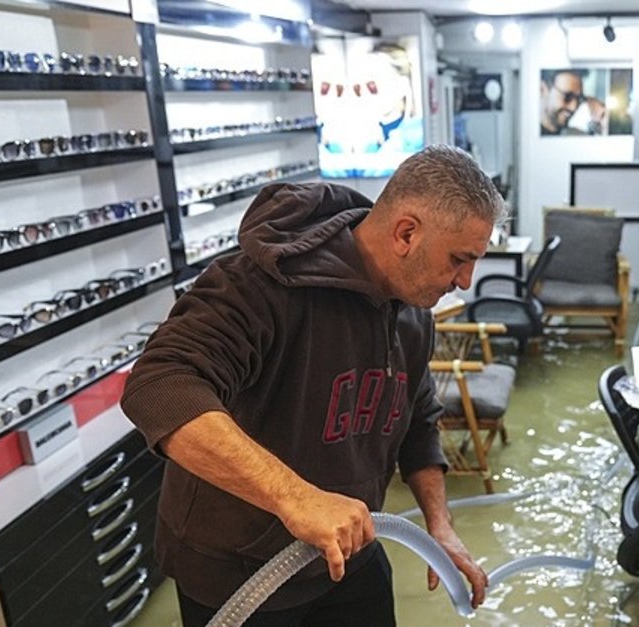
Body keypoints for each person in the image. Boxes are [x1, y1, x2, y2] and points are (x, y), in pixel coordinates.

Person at [120, 145, 503, 626]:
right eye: (458, 259)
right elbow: (158, 386)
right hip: (238, 573)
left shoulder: (412, 314)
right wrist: (297, 497)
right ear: (406, 232)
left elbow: (418, 417)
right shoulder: (262, 286)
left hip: (348, 558)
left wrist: (439, 525)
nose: (466, 281)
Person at [539, 69, 607, 135]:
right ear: (542, 89)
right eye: (567, 96)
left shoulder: (576, 136)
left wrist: (602, 118)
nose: (573, 108)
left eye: (578, 99)